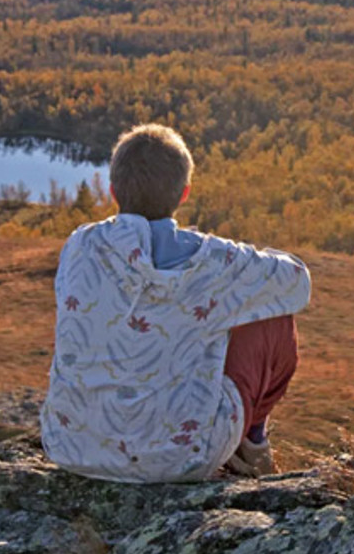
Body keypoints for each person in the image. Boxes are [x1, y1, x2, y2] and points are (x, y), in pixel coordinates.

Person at [40, 123, 310, 482]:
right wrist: (245, 261)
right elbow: (296, 284)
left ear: (113, 190)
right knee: (272, 317)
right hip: (179, 460)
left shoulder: (79, 245)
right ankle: (251, 441)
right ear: (184, 194)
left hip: (68, 446)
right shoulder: (213, 261)